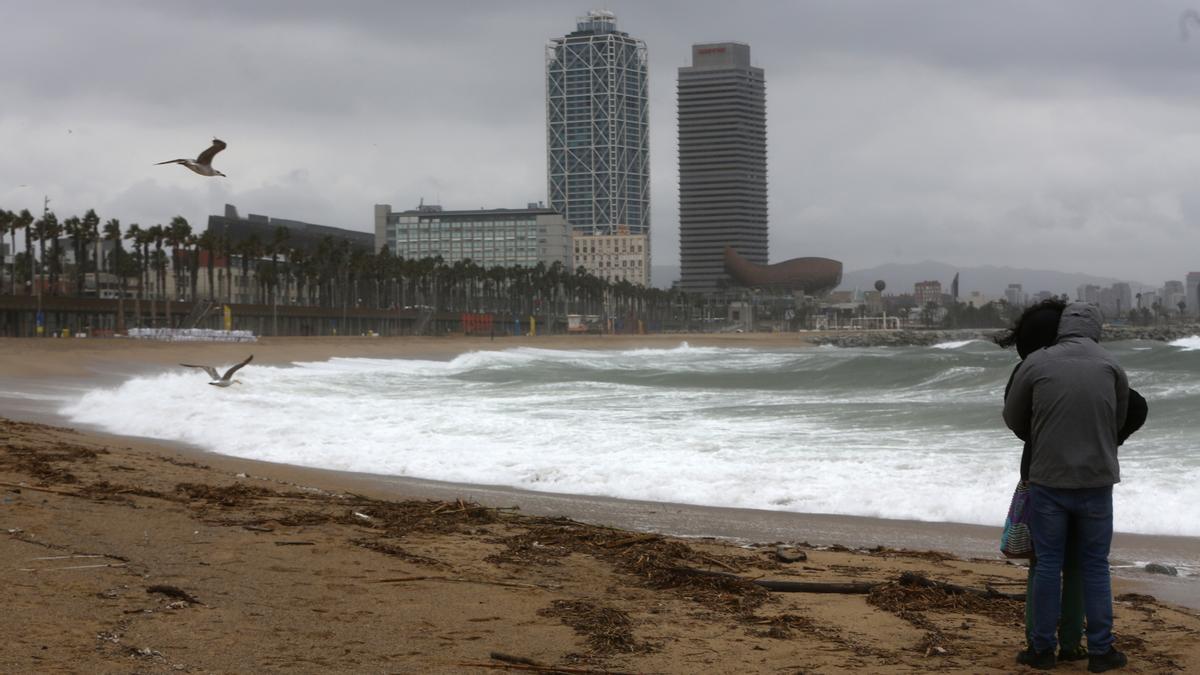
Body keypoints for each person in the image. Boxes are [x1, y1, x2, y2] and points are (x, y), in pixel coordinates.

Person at [997, 301, 1148, 667]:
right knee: (1094, 565)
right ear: (1098, 327)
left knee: (1046, 564)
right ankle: (1100, 651)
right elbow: (1123, 415)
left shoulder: (1035, 364)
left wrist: (1041, 436)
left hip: (1047, 479)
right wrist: (1101, 443)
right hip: (1097, 482)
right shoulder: (1112, 365)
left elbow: (1012, 417)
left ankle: (1041, 650)